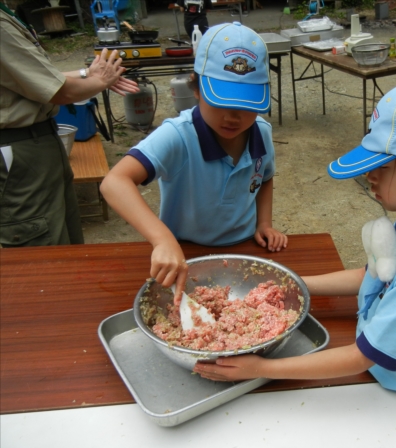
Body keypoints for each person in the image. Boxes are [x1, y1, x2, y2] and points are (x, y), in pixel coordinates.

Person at [194, 78, 396, 448]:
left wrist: (262, 369)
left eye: (384, 165)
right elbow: (378, 275)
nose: (370, 175)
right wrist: (296, 283)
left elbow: (361, 357)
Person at [100, 22, 288, 303]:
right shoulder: (178, 135)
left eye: (246, 106)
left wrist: (264, 222)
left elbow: (266, 176)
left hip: (244, 249)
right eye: (221, 102)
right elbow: (114, 182)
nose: (233, 117)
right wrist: (162, 240)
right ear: (197, 87)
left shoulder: (261, 132)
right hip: (183, 252)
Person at [0, 4, 139, 248]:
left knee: (63, 234)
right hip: (19, 148)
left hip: (39, 141)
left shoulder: (6, 15)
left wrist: (89, 74)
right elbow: (59, 91)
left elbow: (39, 75)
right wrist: (100, 81)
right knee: (41, 244)